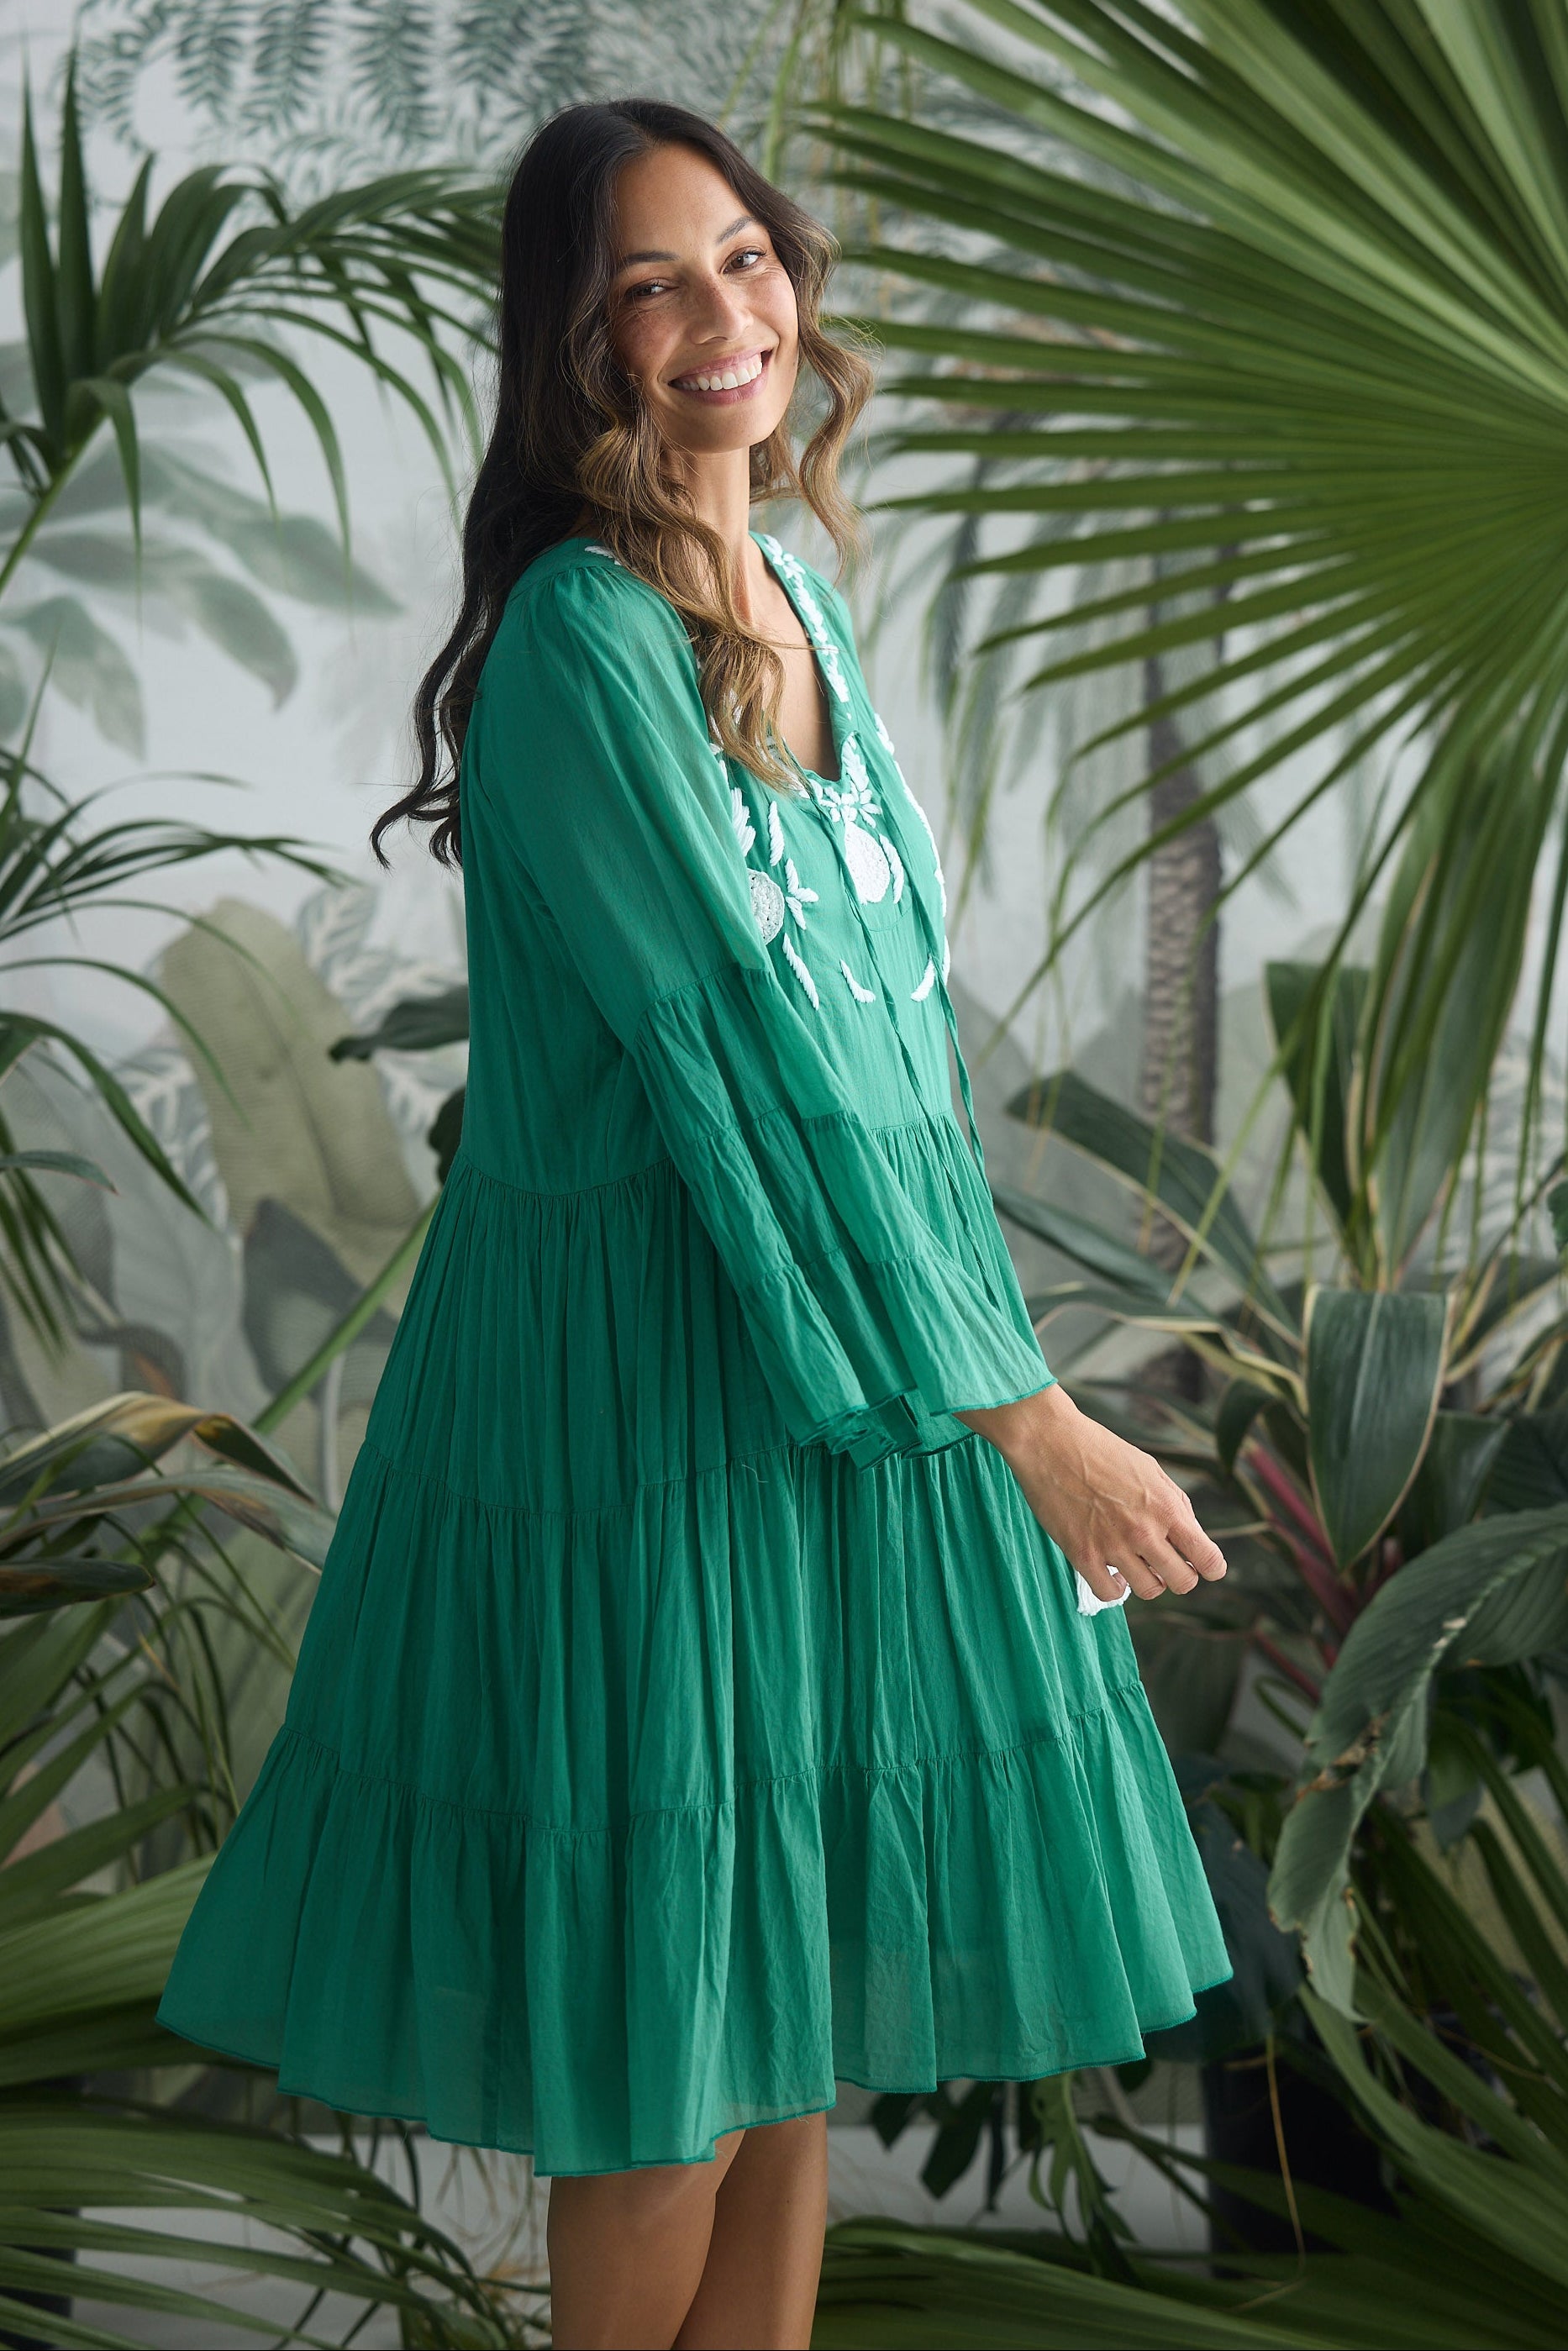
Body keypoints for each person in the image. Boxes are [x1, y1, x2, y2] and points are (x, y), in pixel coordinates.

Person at [156, 97, 1232, 2351]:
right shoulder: (577, 642)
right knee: (660, 2048)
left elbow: (888, 1069)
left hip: (834, 1381)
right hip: (633, 1392)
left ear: (792, 278)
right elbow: (759, 1062)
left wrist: (968, 1388)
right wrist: (1022, 1417)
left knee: (774, 2041)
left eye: (734, 255)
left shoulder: (802, 594)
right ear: (576, 347)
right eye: (644, 282)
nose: (711, 313)